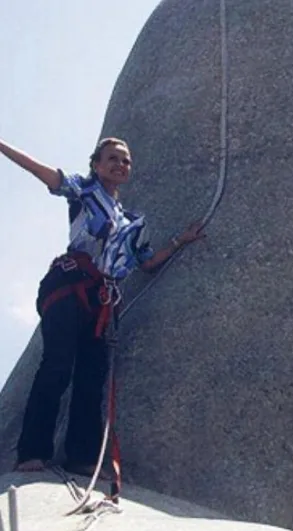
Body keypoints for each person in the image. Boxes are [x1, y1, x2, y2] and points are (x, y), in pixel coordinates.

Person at [0, 136, 204, 475]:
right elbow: (47, 175)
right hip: (69, 288)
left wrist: (181, 241)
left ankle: (81, 455)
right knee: (57, 366)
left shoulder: (134, 222)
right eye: (112, 158)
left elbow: (147, 262)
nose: (120, 165)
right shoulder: (84, 190)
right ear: (96, 164)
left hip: (103, 303)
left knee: (91, 378)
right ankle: (31, 452)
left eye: (125, 161)